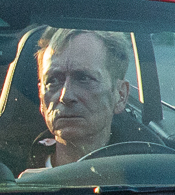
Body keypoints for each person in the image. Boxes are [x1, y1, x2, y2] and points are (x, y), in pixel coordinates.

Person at [29, 26, 136, 170]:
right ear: (41, 96)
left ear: (120, 95)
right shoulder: (3, 179)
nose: (65, 96)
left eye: (83, 78)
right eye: (53, 81)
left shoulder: (150, 181)